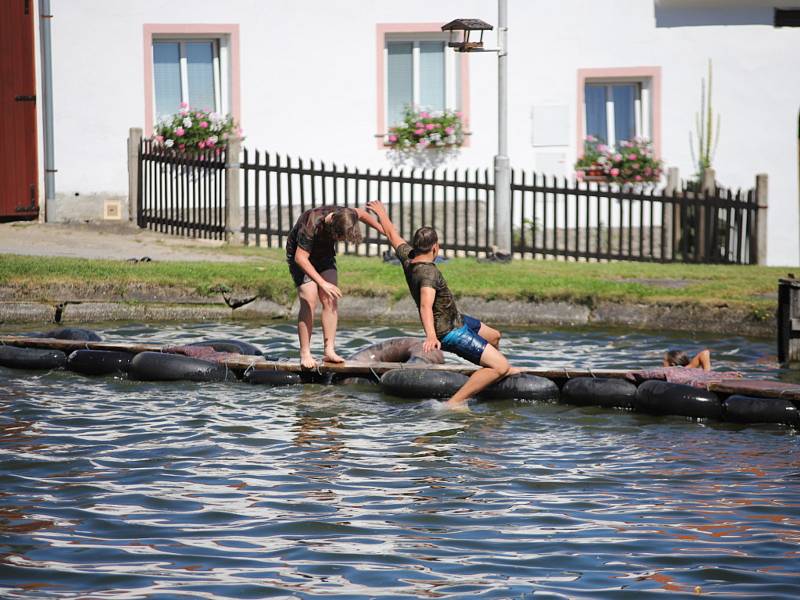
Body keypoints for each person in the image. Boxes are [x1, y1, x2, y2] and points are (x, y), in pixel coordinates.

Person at [366, 200, 518, 408]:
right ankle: (455, 402)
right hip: (449, 332)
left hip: (456, 319)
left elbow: (392, 234)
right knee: (501, 365)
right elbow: (425, 306)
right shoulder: (429, 273)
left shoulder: (408, 256)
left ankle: (495, 372)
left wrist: (380, 214)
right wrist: (431, 336)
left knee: (494, 335)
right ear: (436, 247)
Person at [286, 205, 383, 368]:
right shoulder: (311, 223)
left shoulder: (347, 215)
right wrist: (322, 283)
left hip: (324, 255)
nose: (341, 241)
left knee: (330, 298)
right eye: (341, 238)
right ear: (333, 228)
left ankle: (329, 351)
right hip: (300, 256)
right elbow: (300, 258)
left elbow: (363, 214)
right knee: (309, 299)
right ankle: (305, 353)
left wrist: (382, 229)